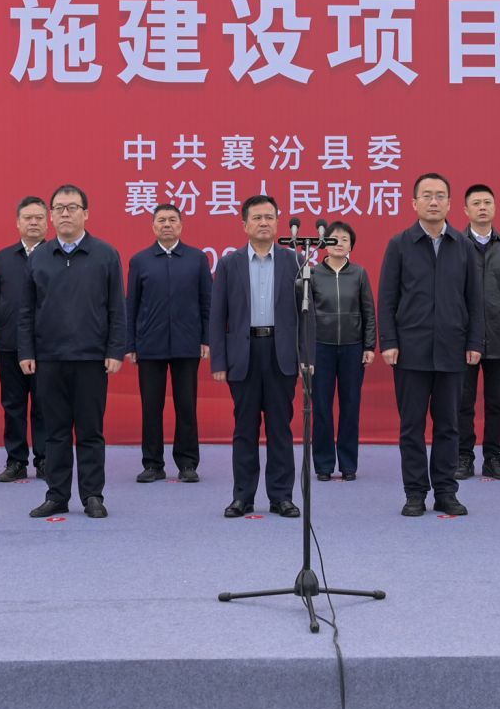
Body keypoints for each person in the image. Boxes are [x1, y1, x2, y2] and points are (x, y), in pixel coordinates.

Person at [379, 172, 483, 517]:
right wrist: (389, 341)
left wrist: (474, 341)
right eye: (427, 196)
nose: (434, 201)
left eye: (440, 195)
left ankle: (445, 491)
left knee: (449, 425)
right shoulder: (400, 244)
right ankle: (414, 493)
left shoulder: (463, 245)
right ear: (414, 203)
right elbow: (387, 299)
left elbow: (475, 300)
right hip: (410, 350)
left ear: (450, 204)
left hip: (453, 350)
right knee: (411, 427)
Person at [19, 184, 126, 519]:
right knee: (55, 432)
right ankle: (57, 495)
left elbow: (116, 310)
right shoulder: (39, 256)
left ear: (86, 213)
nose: (65, 213)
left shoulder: (106, 254)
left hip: (92, 358)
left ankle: (93, 495)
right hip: (49, 358)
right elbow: (25, 310)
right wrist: (26, 351)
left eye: (72, 207)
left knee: (91, 431)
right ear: (52, 215)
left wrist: (115, 350)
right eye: (60, 208)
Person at [209, 194, 301, 517]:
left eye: (269, 217)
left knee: (280, 428)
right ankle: (242, 496)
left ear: (277, 223)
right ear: (245, 224)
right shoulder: (229, 263)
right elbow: (217, 315)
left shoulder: (294, 262)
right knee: (244, 428)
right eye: (257, 217)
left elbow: (308, 315)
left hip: (281, 353)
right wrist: (219, 361)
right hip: (244, 354)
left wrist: (308, 357)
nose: (264, 223)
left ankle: (281, 496)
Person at [127, 203, 211, 485]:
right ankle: (152, 464)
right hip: (150, 344)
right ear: (153, 227)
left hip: (188, 344)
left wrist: (206, 339)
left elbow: (206, 302)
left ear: (181, 225)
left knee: (186, 405)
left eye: (172, 220)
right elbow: (132, 305)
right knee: (151, 406)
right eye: (161, 220)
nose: (167, 224)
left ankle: (187, 463)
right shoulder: (140, 261)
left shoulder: (197, 259)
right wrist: (131, 343)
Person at [458, 184, 500, 481]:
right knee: (463, 402)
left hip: (498, 334)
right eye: (476, 203)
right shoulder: (455, 244)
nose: (482, 207)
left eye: (487, 202)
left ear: (494, 208)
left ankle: (493, 458)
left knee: (497, 402)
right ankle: (463, 457)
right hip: (464, 338)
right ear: (466, 210)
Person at [0, 196, 48, 482]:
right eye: (28, 218)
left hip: (47, 344)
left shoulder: (57, 255)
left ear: (48, 222)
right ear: (18, 223)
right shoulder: (3, 257)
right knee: (13, 405)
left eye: (39, 218)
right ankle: (16, 460)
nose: (33, 222)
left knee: (45, 405)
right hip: (9, 343)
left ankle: (45, 460)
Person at [310, 221, 375, 483]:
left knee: (350, 407)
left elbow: (368, 312)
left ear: (351, 245)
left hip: (352, 348)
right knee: (321, 408)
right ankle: (324, 464)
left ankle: (348, 464)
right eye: (334, 239)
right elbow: (302, 315)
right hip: (320, 348)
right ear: (324, 243)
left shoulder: (359, 274)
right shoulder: (312, 273)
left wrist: (369, 345)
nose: (339, 243)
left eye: (345, 239)